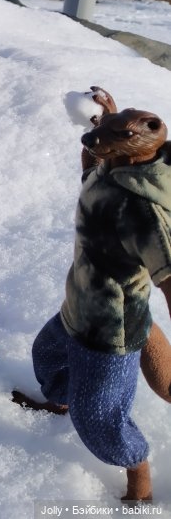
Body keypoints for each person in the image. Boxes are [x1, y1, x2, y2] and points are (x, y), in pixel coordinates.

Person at [13, 88, 171, 502]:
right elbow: (93, 165)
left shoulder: (143, 210)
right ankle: (62, 403)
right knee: (47, 357)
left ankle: (138, 474)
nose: (95, 142)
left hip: (109, 332)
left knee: (99, 417)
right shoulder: (113, 167)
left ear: (139, 147)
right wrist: (109, 119)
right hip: (78, 306)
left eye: (114, 136)